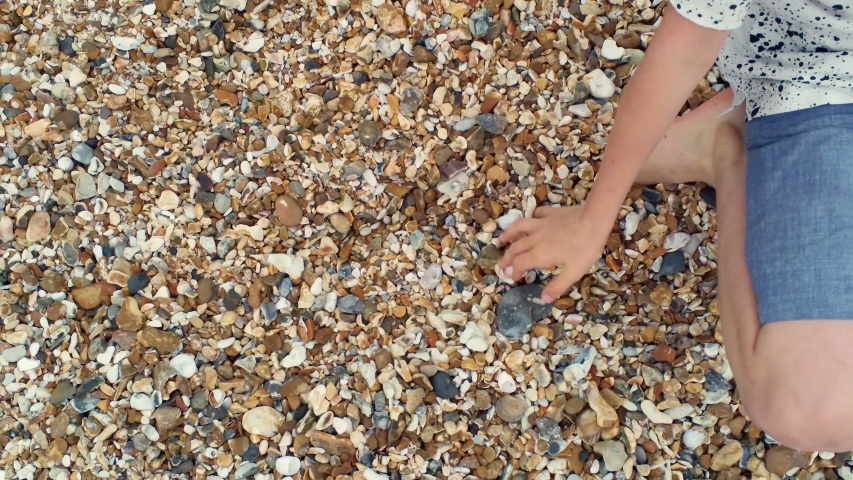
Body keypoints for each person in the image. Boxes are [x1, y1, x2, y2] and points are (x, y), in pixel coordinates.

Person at [497, 0, 853, 452]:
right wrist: (593, 218)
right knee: (810, 406)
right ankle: (726, 144)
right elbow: (683, 50)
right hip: (823, 83)